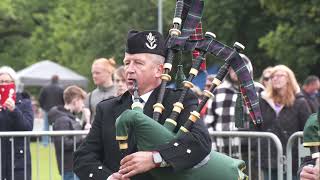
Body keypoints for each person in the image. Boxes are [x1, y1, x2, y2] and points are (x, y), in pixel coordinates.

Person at [73, 30, 211, 180]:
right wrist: (108, 178)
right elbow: (83, 158)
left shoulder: (179, 102)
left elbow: (199, 141)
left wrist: (156, 158)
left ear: (159, 70)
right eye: (127, 63)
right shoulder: (106, 109)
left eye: (138, 63)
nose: (129, 69)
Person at [258, 65, 311, 180]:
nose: (275, 78)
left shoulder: (300, 102)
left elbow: (308, 130)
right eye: (273, 76)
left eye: (280, 75)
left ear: (288, 79)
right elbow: (256, 126)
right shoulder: (263, 101)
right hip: (268, 157)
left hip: (293, 159)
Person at [204, 54, 264, 155]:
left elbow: (266, 121)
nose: (236, 71)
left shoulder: (258, 90)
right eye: (232, 68)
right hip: (222, 150)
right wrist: (213, 148)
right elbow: (208, 122)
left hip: (251, 151)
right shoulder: (218, 91)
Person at [0, 66, 34, 180]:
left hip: (19, 160)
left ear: (14, 83)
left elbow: (28, 127)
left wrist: (14, 110)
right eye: (1, 82)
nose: (3, 84)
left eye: (7, 82)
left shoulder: (25, 102)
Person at [48, 85, 86, 180]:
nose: (83, 105)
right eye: (82, 101)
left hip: (75, 165)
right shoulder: (62, 120)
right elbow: (63, 144)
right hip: (70, 167)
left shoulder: (70, 117)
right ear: (75, 101)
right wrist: (83, 138)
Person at [84, 57, 117, 127]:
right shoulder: (90, 96)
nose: (94, 76)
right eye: (93, 73)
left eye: (97, 73)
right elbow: (84, 123)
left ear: (109, 72)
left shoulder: (120, 93)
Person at [39, 75, 64, 146]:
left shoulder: (45, 88)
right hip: (58, 111)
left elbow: (40, 99)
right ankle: (56, 142)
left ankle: (45, 143)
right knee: (57, 127)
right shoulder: (61, 88)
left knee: (46, 127)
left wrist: (43, 107)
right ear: (58, 80)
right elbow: (64, 100)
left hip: (47, 110)